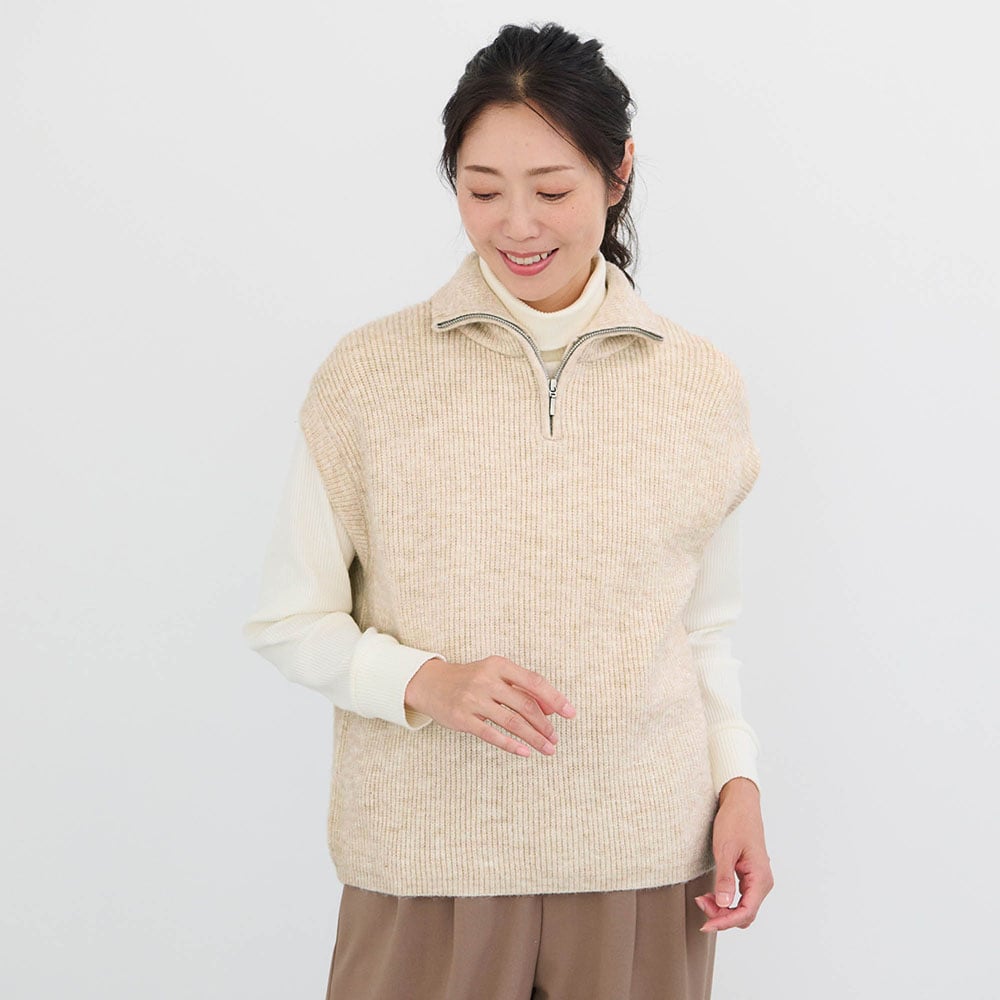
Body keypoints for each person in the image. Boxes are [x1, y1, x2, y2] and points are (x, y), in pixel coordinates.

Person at [243, 20, 773, 1000]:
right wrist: (424, 681)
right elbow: (289, 619)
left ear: (618, 173)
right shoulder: (369, 378)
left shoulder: (700, 385)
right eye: (482, 190)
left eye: (552, 190)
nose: (517, 225)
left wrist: (737, 779)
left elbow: (704, 631)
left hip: (641, 858)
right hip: (428, 867)